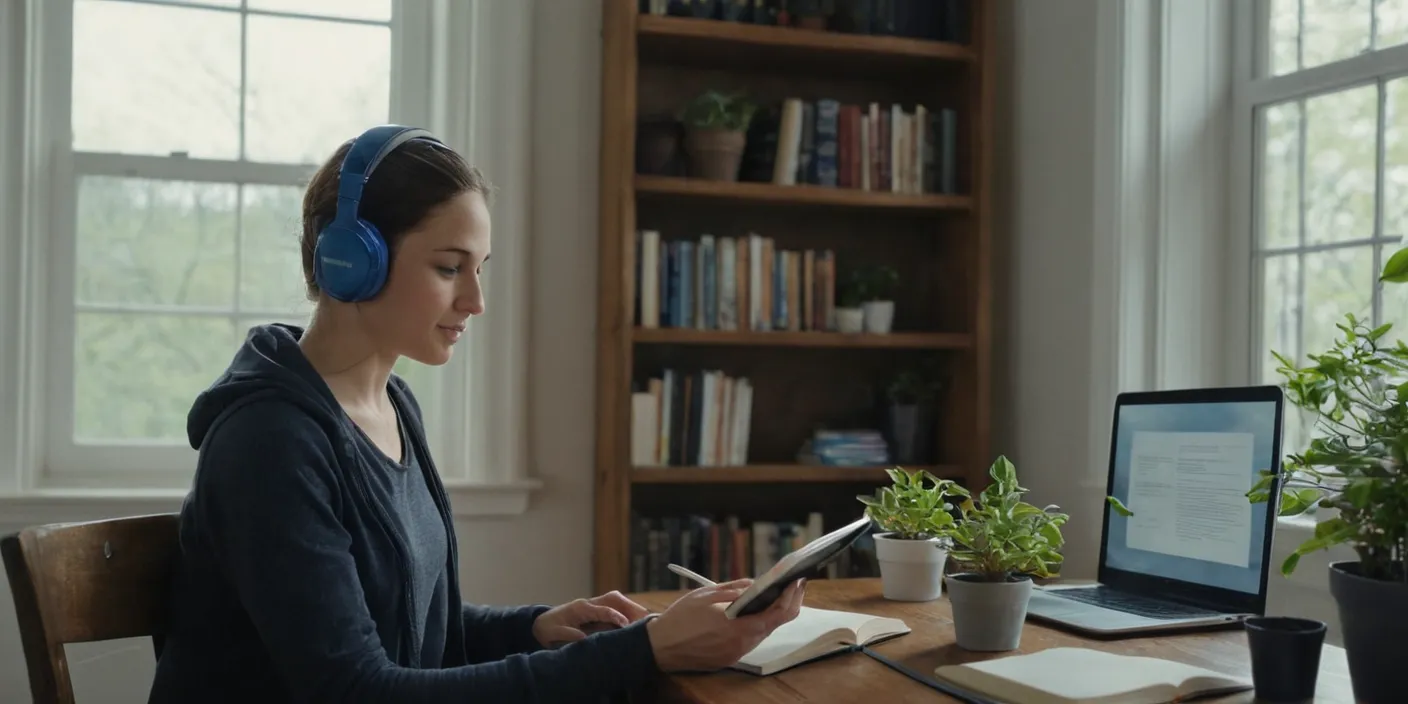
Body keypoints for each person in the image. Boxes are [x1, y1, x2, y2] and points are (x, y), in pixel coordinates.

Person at [146, 125, 805, 703]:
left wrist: (534, 627)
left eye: (480, 268)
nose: (475, 300)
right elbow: (356, 690)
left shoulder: (391, 406)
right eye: (449, 267)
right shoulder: (270, 442)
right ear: (353, 262)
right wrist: (645, 651)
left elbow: (408, 633)